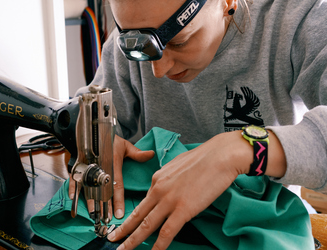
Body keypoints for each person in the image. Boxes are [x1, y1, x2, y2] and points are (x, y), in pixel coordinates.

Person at [71, 0, 327, 249]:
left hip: (263, 229)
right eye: (140, 51)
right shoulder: (138, 30)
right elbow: (87, 110)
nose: (158, 71)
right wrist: (94, 137)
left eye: (179, 42)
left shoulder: (299, 18)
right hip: (162, 220)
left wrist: (238, 151)